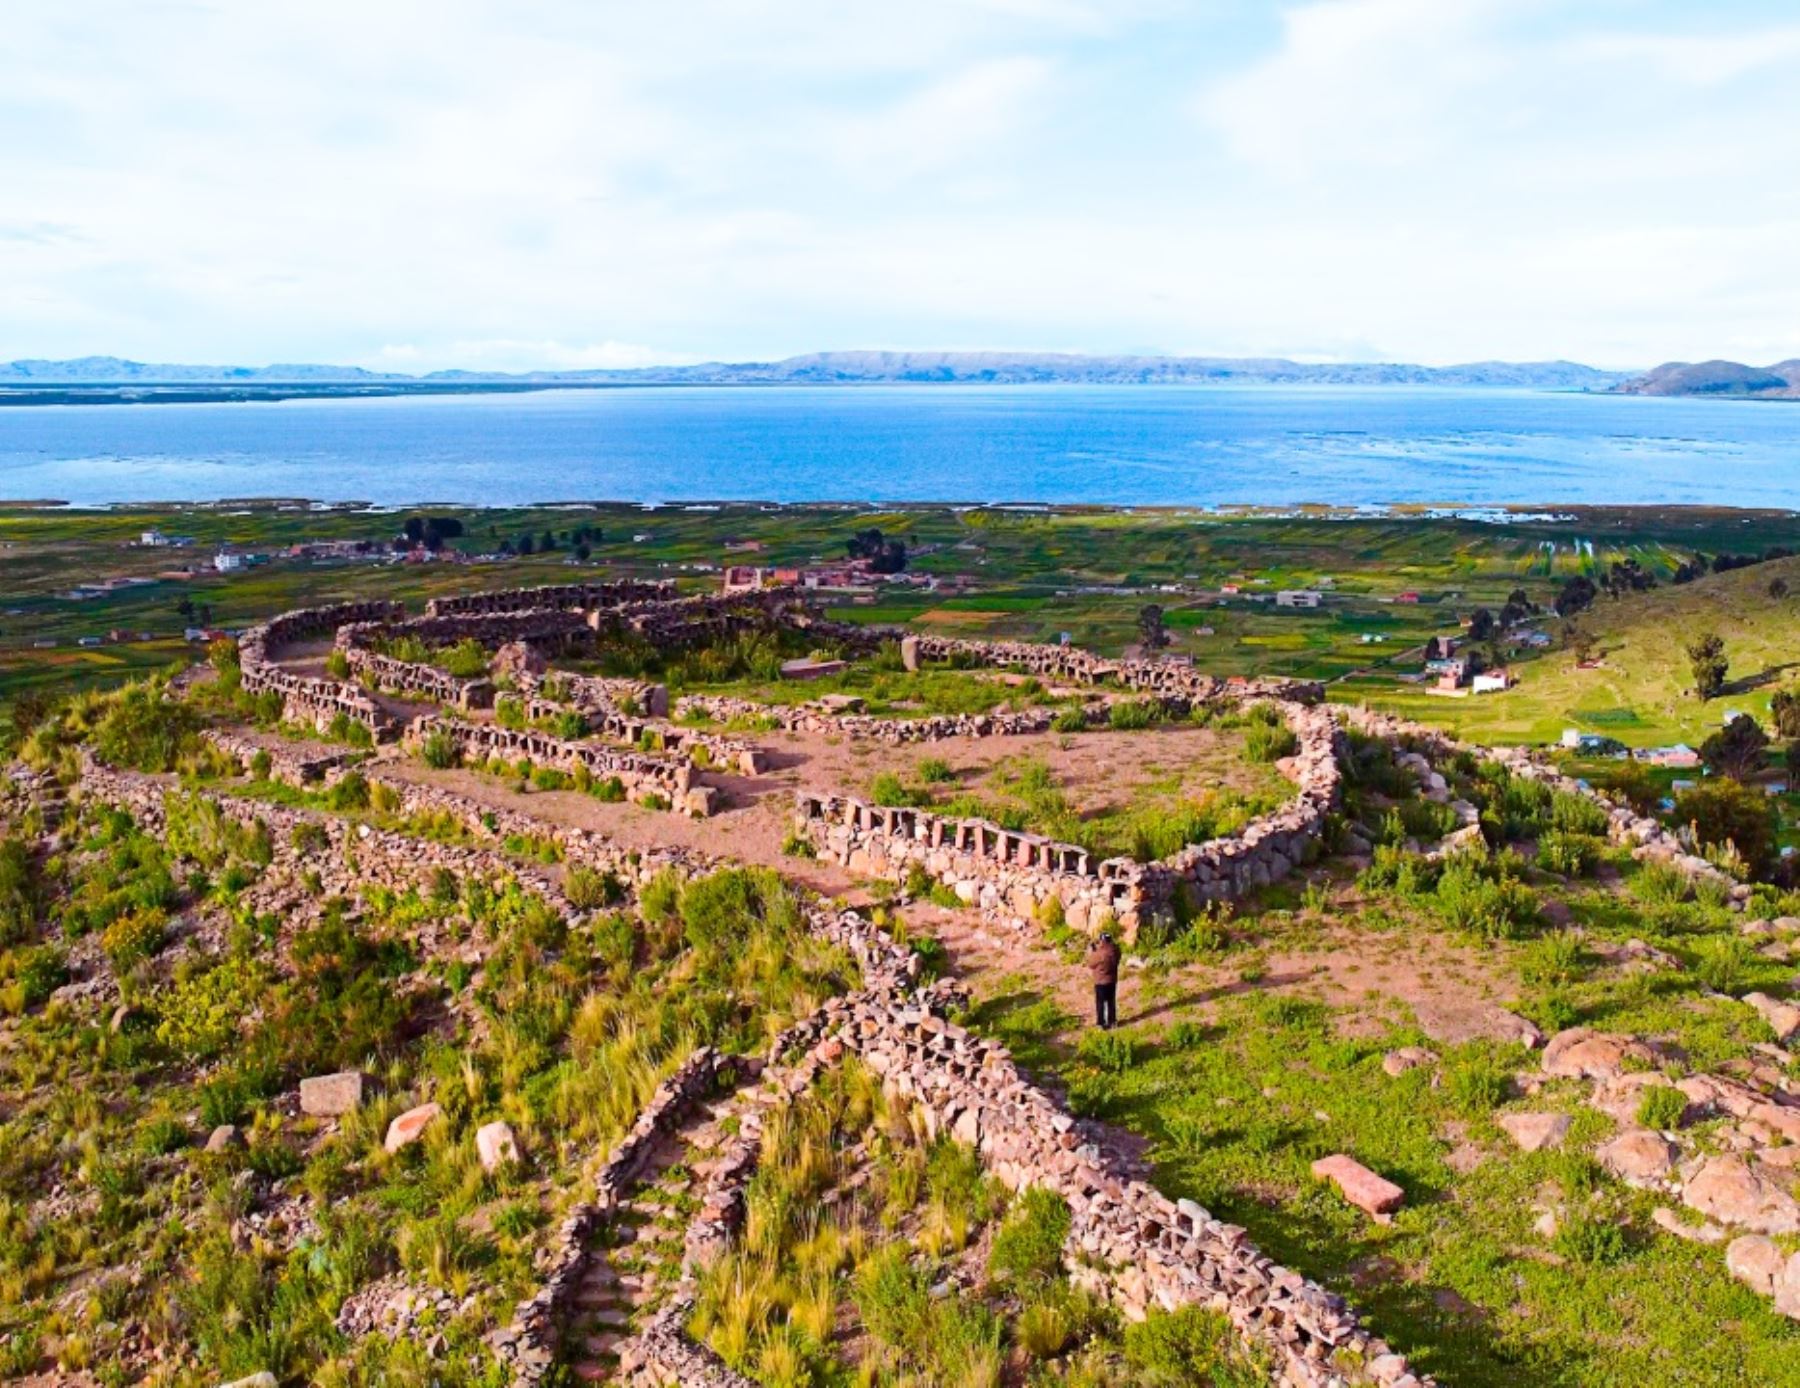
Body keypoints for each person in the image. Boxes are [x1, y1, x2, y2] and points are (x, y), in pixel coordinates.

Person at [1086, 930, 1121, 1030]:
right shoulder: (1116, 950)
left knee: (1100, 1003)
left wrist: (1091, 952)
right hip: (1112, 980)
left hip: (1100, 982)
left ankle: (1101, 1023)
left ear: (1102, 941)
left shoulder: (1099, 954)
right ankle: (1112, 1021)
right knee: (1111, 1002)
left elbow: (1091, 964)